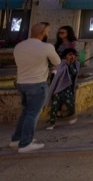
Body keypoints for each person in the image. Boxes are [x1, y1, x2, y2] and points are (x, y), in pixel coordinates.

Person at [10, 22, 60, 153]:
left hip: (22, 83)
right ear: (42, 33)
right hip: (37, 83)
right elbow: (57, 61)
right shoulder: (46, 47)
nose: (48, 34)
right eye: (47, 32)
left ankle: (16, 139)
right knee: (32, 114)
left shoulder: (19, 46)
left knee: (26, 112)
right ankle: (25, 143)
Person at [46, 48, 80, 130]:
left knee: (71, 105)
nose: (72, 56)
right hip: (58, 88)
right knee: (54, 106)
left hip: (68, 88)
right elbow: (56, 74)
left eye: (73, 55)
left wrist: (70, 64)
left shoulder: (76, 64)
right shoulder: (60, 64)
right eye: (70, 55)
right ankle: (52, 122)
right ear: (65, 56)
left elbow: (74, 72)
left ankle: (70, 116)